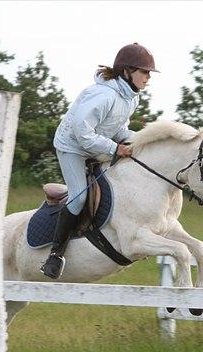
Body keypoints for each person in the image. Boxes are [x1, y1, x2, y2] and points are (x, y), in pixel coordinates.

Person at [40, 43, 159, 279]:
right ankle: (55, 255)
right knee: (79, 196)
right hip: (72, 147)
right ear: (127, 71)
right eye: (144, 72)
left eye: (148, 74)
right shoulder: (103, 95)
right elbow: (82, 133)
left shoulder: (130, 98)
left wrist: (141, 141)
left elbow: (118, 128)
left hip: (95, 144)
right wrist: (116, 148)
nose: (147, 78)